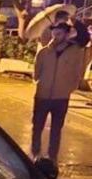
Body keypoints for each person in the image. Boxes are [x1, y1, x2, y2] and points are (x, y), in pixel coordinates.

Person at [32, 15, 88, 163]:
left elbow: (84, 37)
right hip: (42, 95)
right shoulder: (44, 52)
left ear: (67, 34)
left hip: (61, 97)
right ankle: (35, 154)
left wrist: (74, 20)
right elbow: (36, 73)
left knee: (56, 130)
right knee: (37, 126)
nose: (56, 36)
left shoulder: (74, 50)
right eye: (54, 33)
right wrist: (40, 82)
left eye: (59, 33)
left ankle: (52, 158)